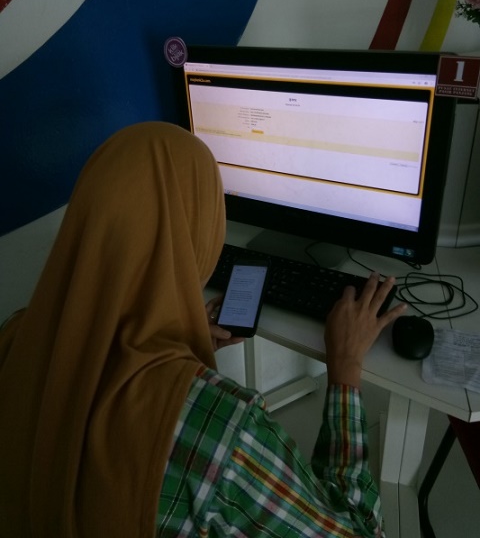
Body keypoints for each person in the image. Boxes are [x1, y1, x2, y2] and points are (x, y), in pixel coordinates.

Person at [0, 122, 406, 537]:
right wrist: (345, 369)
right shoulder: (222, 429)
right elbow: (358, 531)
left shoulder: (15, 337)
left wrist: (175, 340)